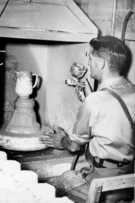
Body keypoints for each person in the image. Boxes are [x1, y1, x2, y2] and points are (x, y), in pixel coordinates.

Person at [40, 36, 135, 203]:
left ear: (101, 64)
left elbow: (74, 146)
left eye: (90, 58)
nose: (88, 63)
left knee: (48, 187)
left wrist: (61, 139)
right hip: (127, 181)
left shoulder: (96, 101)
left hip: (100, 185)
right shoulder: (131, 90)